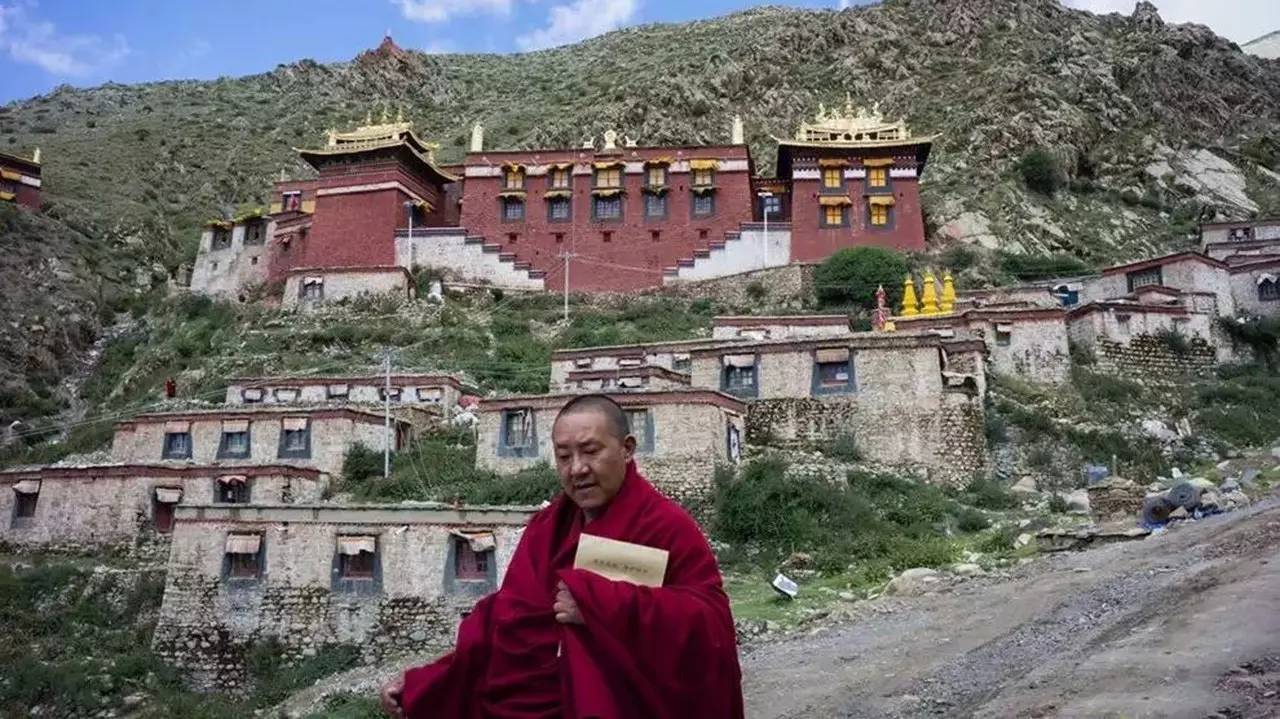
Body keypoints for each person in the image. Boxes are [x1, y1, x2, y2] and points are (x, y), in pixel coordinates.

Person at [380, 394, 744, 718]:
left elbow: (710, 628)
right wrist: (427, 681)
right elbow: (508, 623)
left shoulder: (666, 527)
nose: (577, 469)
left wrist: (602, 605)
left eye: (590, 451)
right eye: (564, 455)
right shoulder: (546, 528)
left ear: (627, 448)